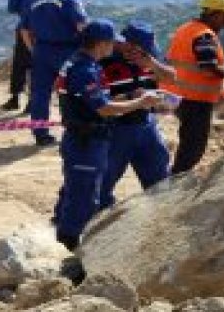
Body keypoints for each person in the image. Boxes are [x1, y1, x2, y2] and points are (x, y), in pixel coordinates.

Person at [53, 20, 164, 251]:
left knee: (84, 193)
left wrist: (132, 98)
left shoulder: (83, 63)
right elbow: (103, 108)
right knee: (83, 198)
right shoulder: (84, 70)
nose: (116, 47)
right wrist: (141, 102)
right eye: (112, 42)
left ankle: (72, 241)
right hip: (85, 140)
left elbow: (98, 102)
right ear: (102, 43)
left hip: (89, 137)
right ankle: (69, 247)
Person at [98, 22, 174, 207]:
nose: (145, 54)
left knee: (159, 178)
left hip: (146, 126)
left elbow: (171, 77)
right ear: (128, 45)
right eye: (142, 50)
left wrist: (152, 63)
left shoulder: (148, 60)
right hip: (115, 129)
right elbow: (99, 103)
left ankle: (160, 213)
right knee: (103, 180)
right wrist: (133, 97)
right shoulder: (104, 63)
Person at [164, 0, 224, 174]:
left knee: (189, 145)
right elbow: (209, 67)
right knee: (193, 149)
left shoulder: (187, 28)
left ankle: (175, 180)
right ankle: (175, 186)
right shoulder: (204, 35)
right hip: (195, 99)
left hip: (180, 95)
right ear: (215, 14)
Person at [26, 0, 88, 146]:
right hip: (67, 51)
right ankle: (74, 129)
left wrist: (34, 49)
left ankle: (40, 133)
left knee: (40, 93)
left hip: (41, 50)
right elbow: (82, 26)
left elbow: (25, 29)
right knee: (71, 91)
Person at [3, 0, 57, 111]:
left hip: (26, 28)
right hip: (49, 31)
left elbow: (12, 6)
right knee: (40, 66)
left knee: (20, 63)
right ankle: (32, 101)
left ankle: (14, 99)